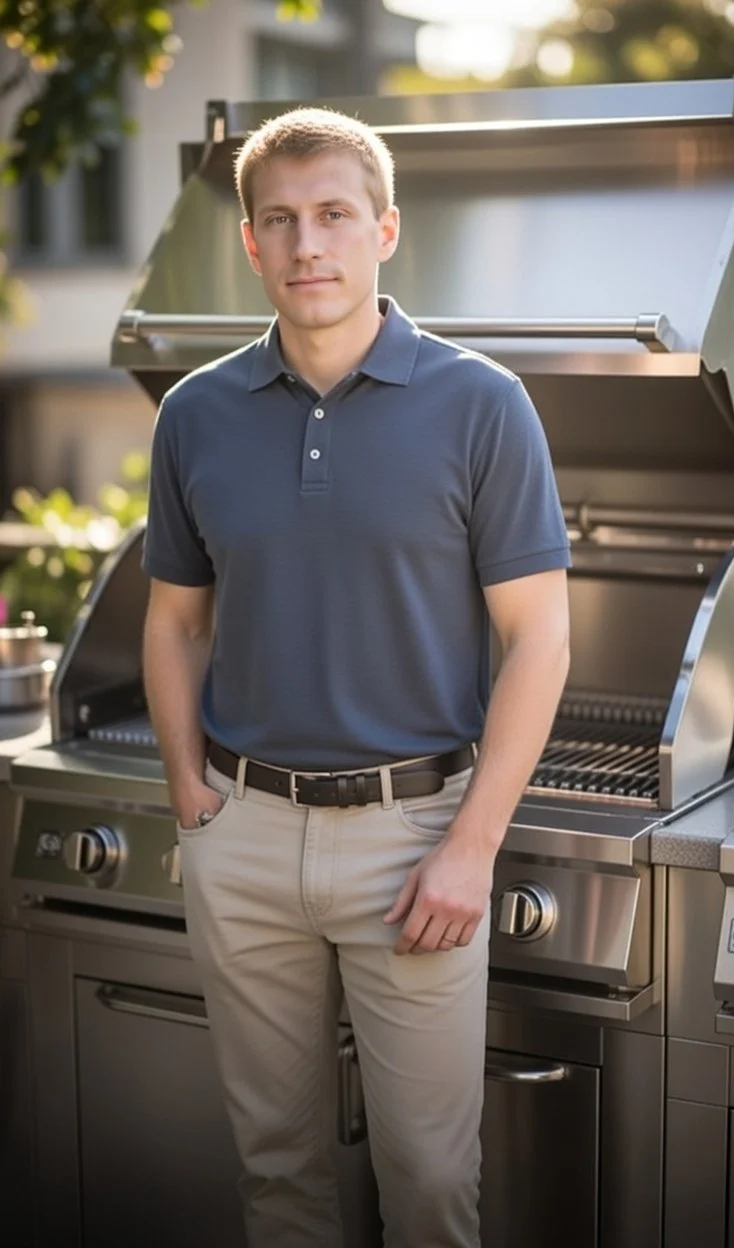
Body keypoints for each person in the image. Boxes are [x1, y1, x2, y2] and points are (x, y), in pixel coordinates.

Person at [142, 106, 571, 1248]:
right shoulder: (193, 415)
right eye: (277, 221)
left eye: (333, 215)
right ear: (249, 244)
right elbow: (174, 622)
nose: (306, 246)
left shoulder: (483, 405)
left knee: (429, 1184)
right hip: (241, 834)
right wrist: (193, 800)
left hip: (414, 838)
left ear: (384, 230)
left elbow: (540, 638)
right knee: (277, 1178)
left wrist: (470, 846)